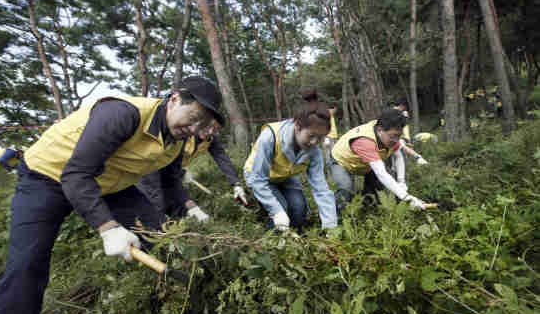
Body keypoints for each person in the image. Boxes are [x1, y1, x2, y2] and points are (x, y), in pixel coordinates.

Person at [0, 76, 224, 314]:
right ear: (175, 99)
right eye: (193, 117)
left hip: (108, 181)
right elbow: (76, 175)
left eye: (202, 124)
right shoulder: (122, 113)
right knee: (27, 264)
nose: (194, 128)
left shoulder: (177, 139)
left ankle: (179, 298)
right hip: (48, 175)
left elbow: (170, 181)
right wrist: (108, 227)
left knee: (161, 234)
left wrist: (190, 208)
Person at [244, 101, 337, 232]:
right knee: (281, 210)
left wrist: (330, 226)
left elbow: (321, 189)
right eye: (311, 136)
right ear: (297, 126)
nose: (314, 142)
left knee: (299, 211)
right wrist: (277, 211)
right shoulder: (270, 137)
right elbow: (258, 179)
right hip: (258, 176)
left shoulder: (315, 150)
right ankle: (268, 227)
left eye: (320, 138)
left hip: (284, 176)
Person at [138, 119, 248, 221]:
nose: (209, 132)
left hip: (172, 169)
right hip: (152, 165)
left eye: (214, 129)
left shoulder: (211, 139)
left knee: (173, 202)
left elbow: (222, 158)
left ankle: (172, 225)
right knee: (155, 199)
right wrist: (190, 203)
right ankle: (153, 232)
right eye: (207, 127)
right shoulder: (186, 135)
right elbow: (168, 163)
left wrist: (236, 184)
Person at [329, 108, 426, 212]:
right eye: (393, 136)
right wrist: (407, 198)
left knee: (379, 186)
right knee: (346, 188)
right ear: (380, 130)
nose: (396, 140)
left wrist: (401, 181)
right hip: (342, 161)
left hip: (365, 164)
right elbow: (381, 173)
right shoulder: (365, 141)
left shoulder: (390, 134)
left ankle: (368, 209)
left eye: (399, 136)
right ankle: (334, 220)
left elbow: (398, 156)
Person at [392, 98, 429, 165]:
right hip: (396, 137)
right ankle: (418, 158)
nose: (405, 109)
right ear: (402, 106)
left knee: (401, 153)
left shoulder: (398, 112)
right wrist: (406, 138)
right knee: (401, 149)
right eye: (404, 107)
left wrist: (407, 138)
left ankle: (411, 163)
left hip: (399, 137)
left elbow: (404, 126)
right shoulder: (397, 113)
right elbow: (402, 126)